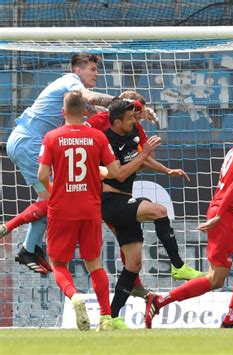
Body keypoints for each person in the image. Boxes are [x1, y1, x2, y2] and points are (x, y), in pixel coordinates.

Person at [144, 110, 233, 329]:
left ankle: (231, 317)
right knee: (216, 279)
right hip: (224, 215)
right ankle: (159, 301)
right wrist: (220, 215)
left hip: (232, 214)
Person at [4, 52, 115, 273]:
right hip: (29, 142)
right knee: (55, 198)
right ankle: (15, 235)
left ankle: (31, 247)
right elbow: (92, 99)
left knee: (48, 198)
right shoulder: (71, 82)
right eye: (92, 69)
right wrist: (123, 100)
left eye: (97, 70)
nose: (96, 74)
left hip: (24, 141)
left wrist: (132, 110)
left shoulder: (73, 96)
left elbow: (98, 110)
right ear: (78, 70)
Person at [101, 100, 203, 328]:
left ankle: (112, 317)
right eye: (130, 118)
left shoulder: (133, 131)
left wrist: (167, 170)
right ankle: (178, 266)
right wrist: (144, 152)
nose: (135, 121)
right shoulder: (106, 140)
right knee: (159, 210)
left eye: (135, 117)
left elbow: (142, 161)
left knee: (133, 264)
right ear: (117, 123)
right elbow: (119, 173)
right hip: (110, 201)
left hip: (124, 198)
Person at [37, 91, 119, 331]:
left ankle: (74, 296)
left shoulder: (52, 137)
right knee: (94, 262)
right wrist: (99, 171)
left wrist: (52, 190)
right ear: (84, 112)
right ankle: (106, 318)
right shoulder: (97, 137)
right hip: (90, 208)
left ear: (63, 112)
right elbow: (113, 171)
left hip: (62, 208)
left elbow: (42, 174)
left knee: (58, 263)